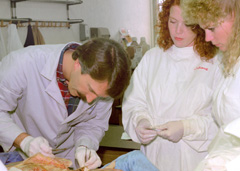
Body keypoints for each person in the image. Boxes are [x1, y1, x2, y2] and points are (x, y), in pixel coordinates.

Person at [0, 38, 131, 169]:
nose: (91, 100)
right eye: (90, 89)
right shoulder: (22, 64)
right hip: (22, 157)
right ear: (78, 64)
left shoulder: (103, 86)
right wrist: (25, 141)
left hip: (69, 159)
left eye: (98, 96)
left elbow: (93, 124)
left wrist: (85, 146)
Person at [121, 0, 221, 170]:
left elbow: (224, 122)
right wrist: (140, 121)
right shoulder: (153, 58)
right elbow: (134, 102)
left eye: (187, 24)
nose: (178, 30)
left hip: (195, 161)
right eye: (173, 22)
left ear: (201, 25)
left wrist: (185, 127)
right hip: (152, 158)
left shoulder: (216, 63)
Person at [181, 0, 240, 170]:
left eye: (212, 28)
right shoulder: (230, 60)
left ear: (234, 17)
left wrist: (229, 165)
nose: (207, 38)